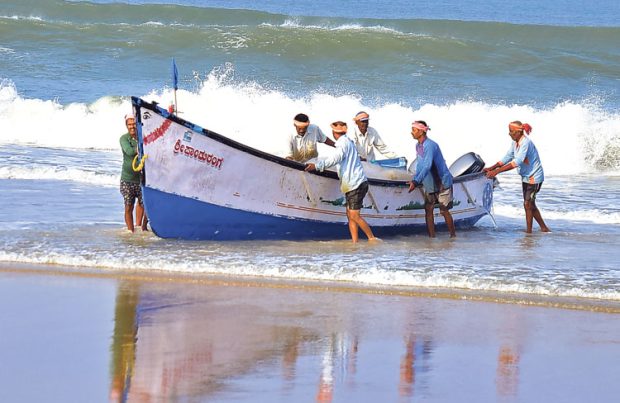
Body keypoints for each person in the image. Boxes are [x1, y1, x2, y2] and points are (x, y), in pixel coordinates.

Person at [305, 121, 378, 243]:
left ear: (334, 133)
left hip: (355, 183)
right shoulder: (348, 141)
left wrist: (317, 166)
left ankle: (372, 238)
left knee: (354, 215)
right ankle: (355, 242)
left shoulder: (342, 144)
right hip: (353, 183)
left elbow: (335, 159)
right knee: (350, 215)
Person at [484, 121, 550, 233]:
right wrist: (491, 167)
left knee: (527, 204)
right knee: (530, 204)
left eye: (511, 131)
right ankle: (544, 228)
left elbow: (517, 162)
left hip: (534, 177)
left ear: (519, 132)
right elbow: (507, 157)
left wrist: (496, 172)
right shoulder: (515, 143)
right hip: (526, 177)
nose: (509, 134)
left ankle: (529, 231)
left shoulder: (526, 143)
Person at [407, 120, 456, 238]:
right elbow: (420, 164)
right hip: (430, 183)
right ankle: (431, 238)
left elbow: (428, 165)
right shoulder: (418, 145)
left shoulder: (430, 145)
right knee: (428, 209)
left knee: (444, 210)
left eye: (413, 130)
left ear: (421, 131)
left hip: (442, 181)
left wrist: (416, 181)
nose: (411, 132)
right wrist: (415, 179)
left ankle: (453, 237)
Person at [120, 114, 148, 232]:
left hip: (142, 179)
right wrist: (141, 145)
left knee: (145, 205)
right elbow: (130, 152)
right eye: (129, 124)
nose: (132, 126)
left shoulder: (143, 137)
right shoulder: (124, 138)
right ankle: (131, 232)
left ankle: (141, 227)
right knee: (129, 206)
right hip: (127, 179)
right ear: (126, 125)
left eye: (133, 124)